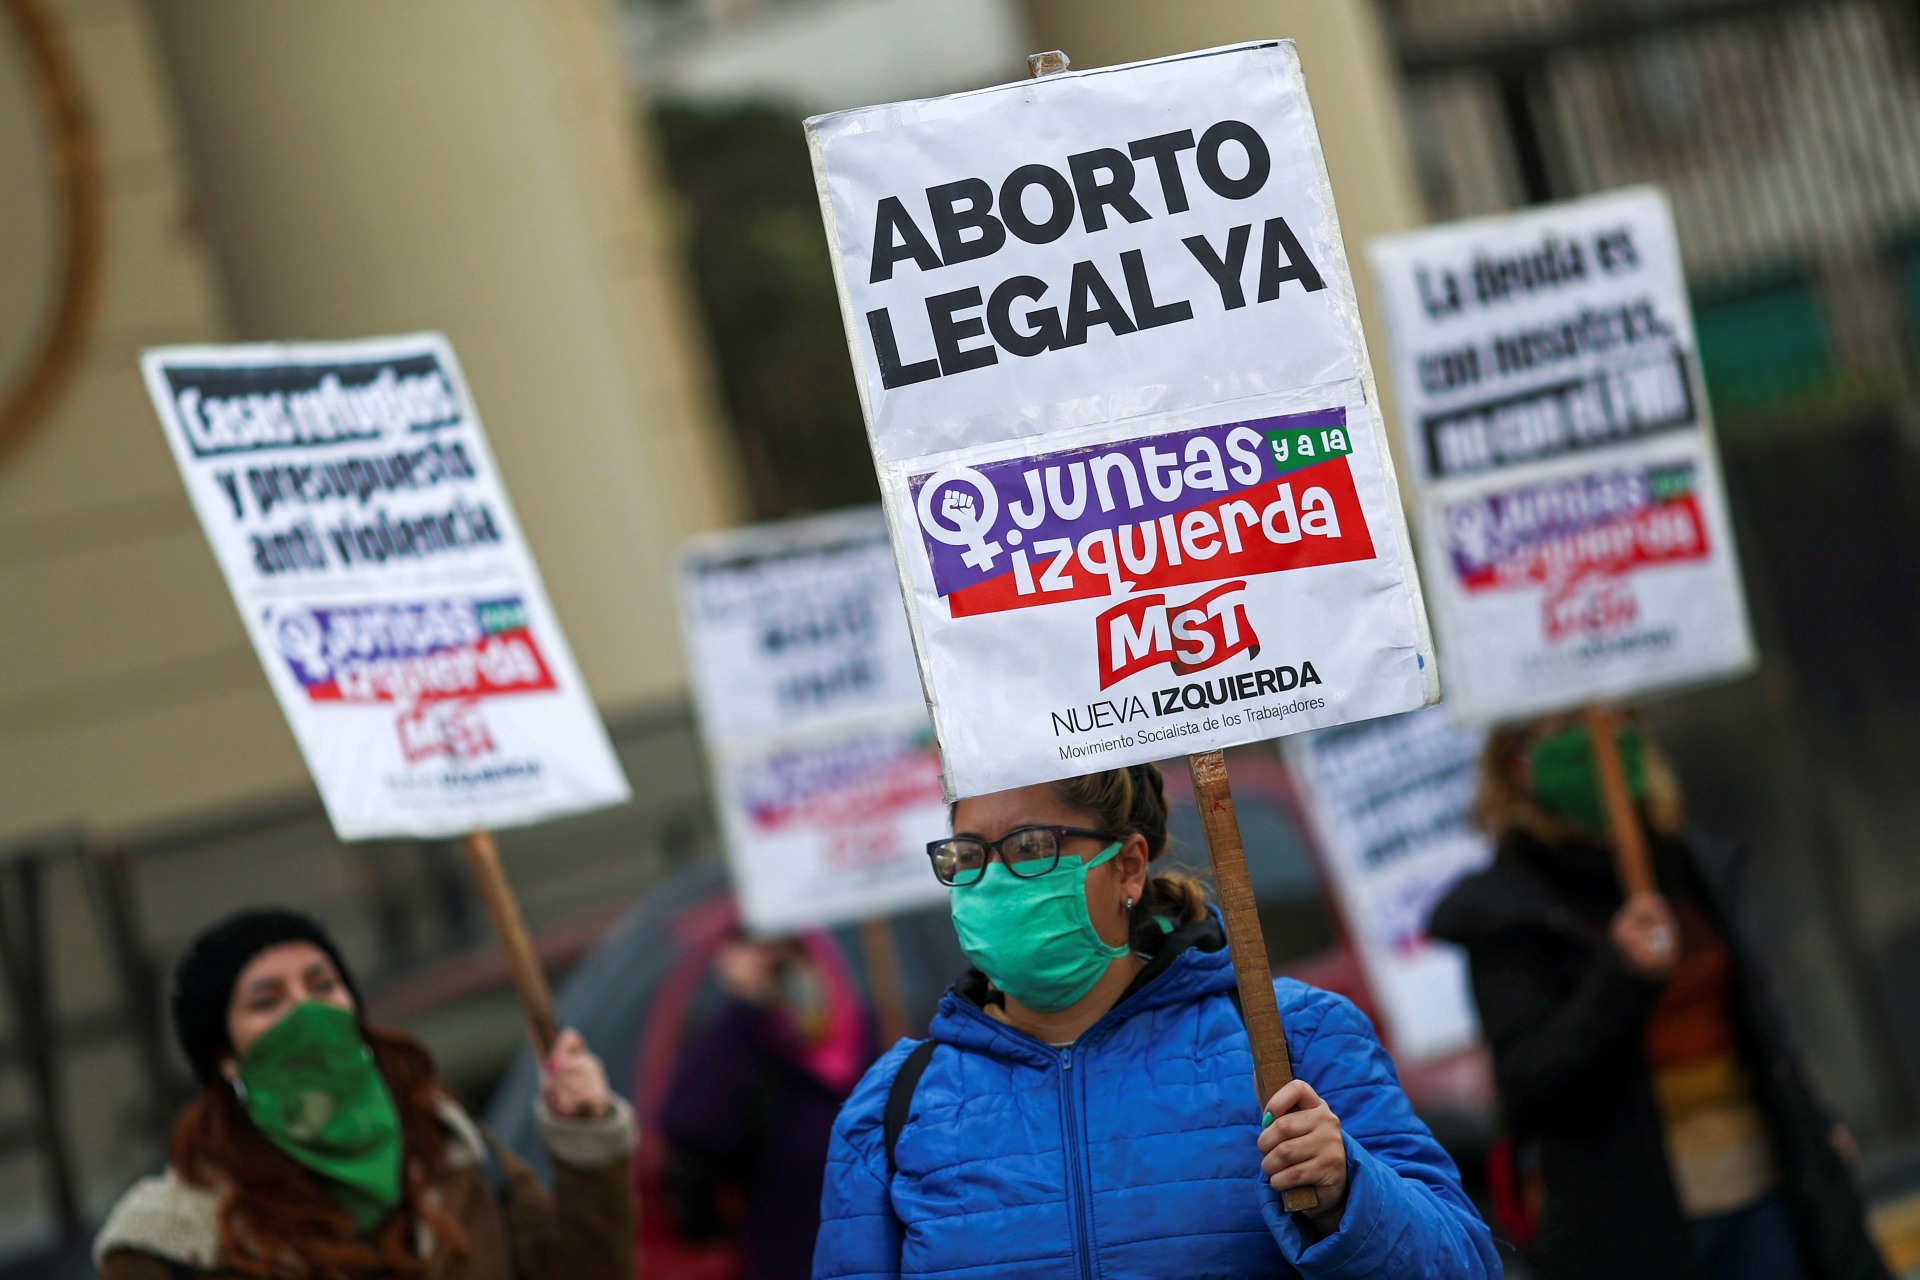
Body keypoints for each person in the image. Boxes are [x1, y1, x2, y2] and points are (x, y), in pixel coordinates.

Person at [813, 763, 1497, 1279]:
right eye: (968, 855)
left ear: (1130, 867)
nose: (992, 880)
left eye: (1029, 848)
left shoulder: (1292, 1040)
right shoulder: (892, 1108)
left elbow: (1464, 1262)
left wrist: (1348, 1196)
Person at [1429, 714, 1892, 1280]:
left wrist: (1813, 1126)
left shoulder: (1686, 861)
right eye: (1566, 728)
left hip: (1765, 1190)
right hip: (1633, 1226)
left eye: (1612, 718)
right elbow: (1529, 1082)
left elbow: (1757, 1015)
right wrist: (1621, 975)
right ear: (1518, 761)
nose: (1600, 736)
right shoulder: (1506, 909)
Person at [93, 908, 636, 1280]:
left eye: (322, 985)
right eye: (268, 1001)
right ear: (225, 1057)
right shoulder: (168, 1241)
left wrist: (585, 1139)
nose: (307, 1012)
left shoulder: (453, 1152)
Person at [656, 930, 876, 1280]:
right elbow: (688, 1127)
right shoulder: (756, 1059)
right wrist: (744, 1008)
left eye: (793, 965)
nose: (793, 987)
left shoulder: (874, 1050)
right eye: (776, 974)